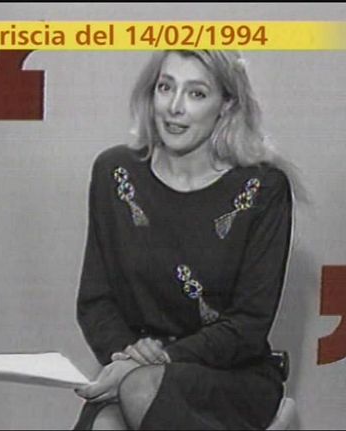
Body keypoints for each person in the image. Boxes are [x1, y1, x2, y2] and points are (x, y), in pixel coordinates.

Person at [73, 49, 295, 430]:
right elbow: (96, 301)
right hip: (132, 364)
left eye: (196, 93)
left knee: (142, 390)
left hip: (229, 373)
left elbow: (248, 325)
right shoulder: (115, 173)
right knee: (106, 424)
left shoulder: (262, 188)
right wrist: (129, 356)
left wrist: (156, 362)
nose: (174, 107)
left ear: (226, 105)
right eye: (166, 88)